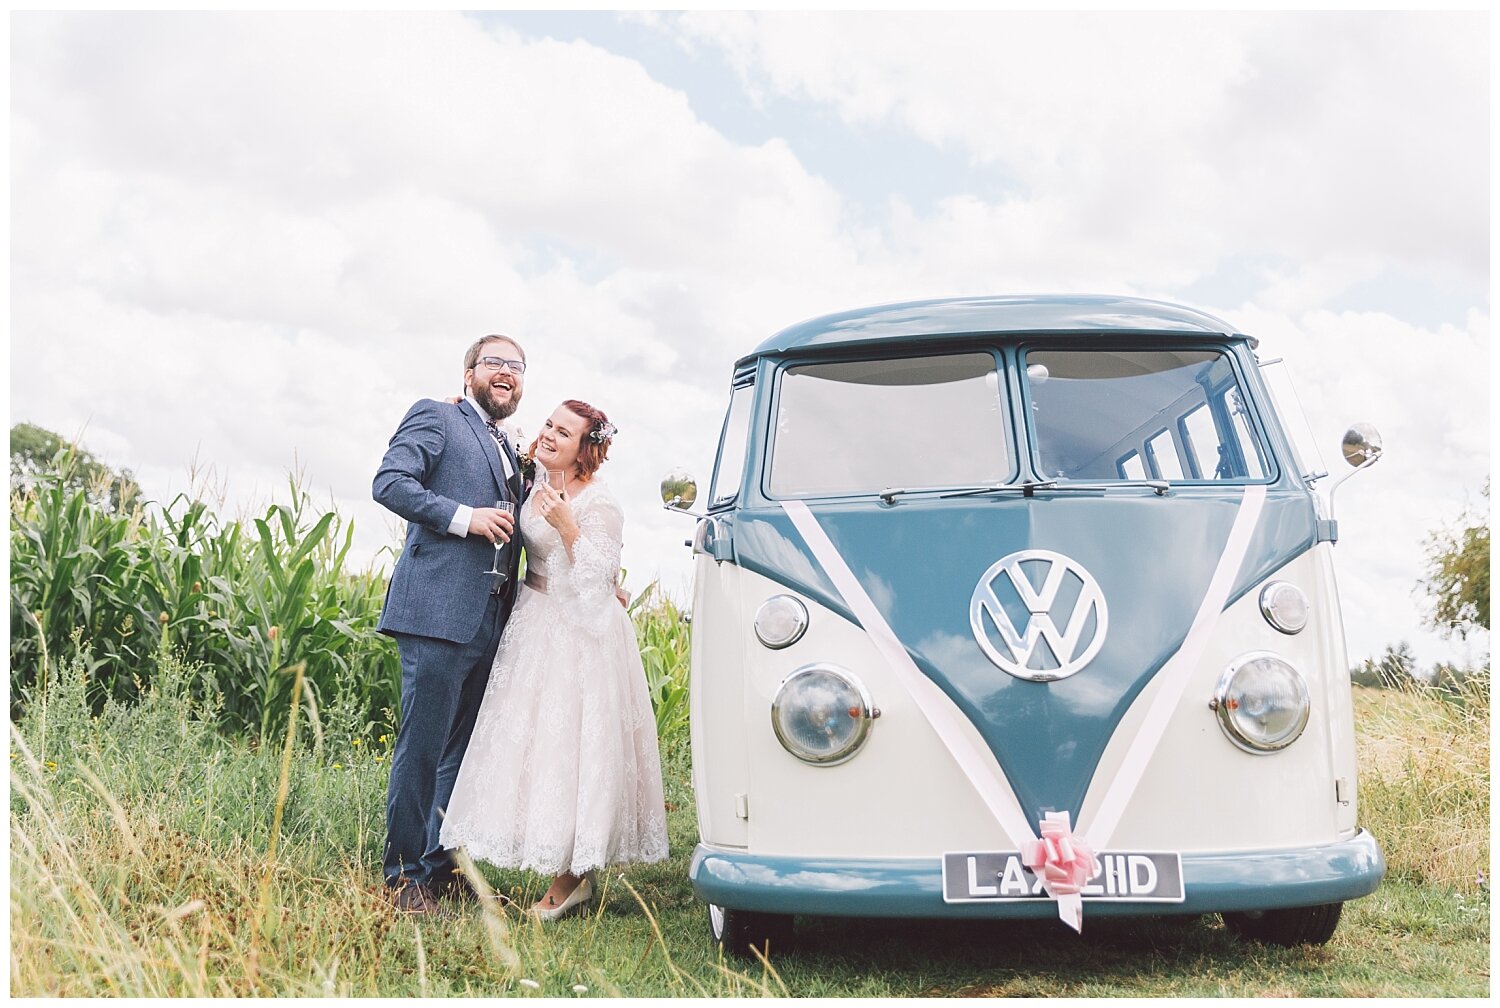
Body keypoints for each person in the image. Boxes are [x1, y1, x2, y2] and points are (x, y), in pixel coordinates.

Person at [439, 399, 669, 919]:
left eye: (563, 432)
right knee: (535, 746)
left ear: (586, 448)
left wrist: (568, 525)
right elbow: (504, 435)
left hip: (581, 635)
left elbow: (597, 577)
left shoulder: (599, 503)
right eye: (548, 424)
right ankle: (549, 859)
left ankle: (572, 877)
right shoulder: (536, 475)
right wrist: (464, 407)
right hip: (533, 620)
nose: (548, 435)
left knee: (572, 747)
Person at [373, 334, 529, 914]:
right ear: (468, 374)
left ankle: (438, 865)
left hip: (489, 619)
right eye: (495, 363)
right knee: (422, 747)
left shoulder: (511, 448)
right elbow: (390, 482)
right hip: (437, 613)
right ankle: (402, 876)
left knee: (459, 752)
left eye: (517, 367)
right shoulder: (436, 417)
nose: (507, 373)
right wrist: (465, 518)